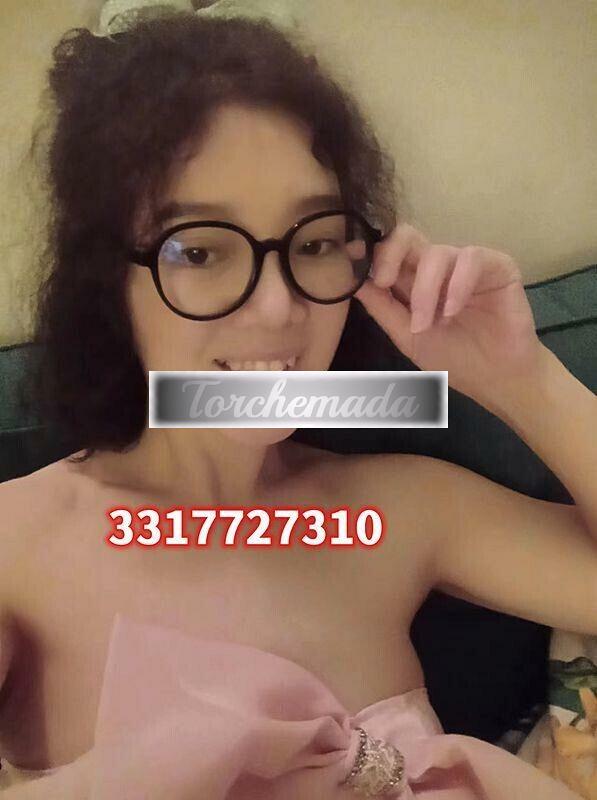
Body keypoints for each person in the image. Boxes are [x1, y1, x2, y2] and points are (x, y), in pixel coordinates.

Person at [0, 8, 595, 798]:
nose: (278, 307)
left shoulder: (396, 509)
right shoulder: (18, 546)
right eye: (200, 250)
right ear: (105, 279)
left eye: (313, 243)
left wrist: (521, 379)